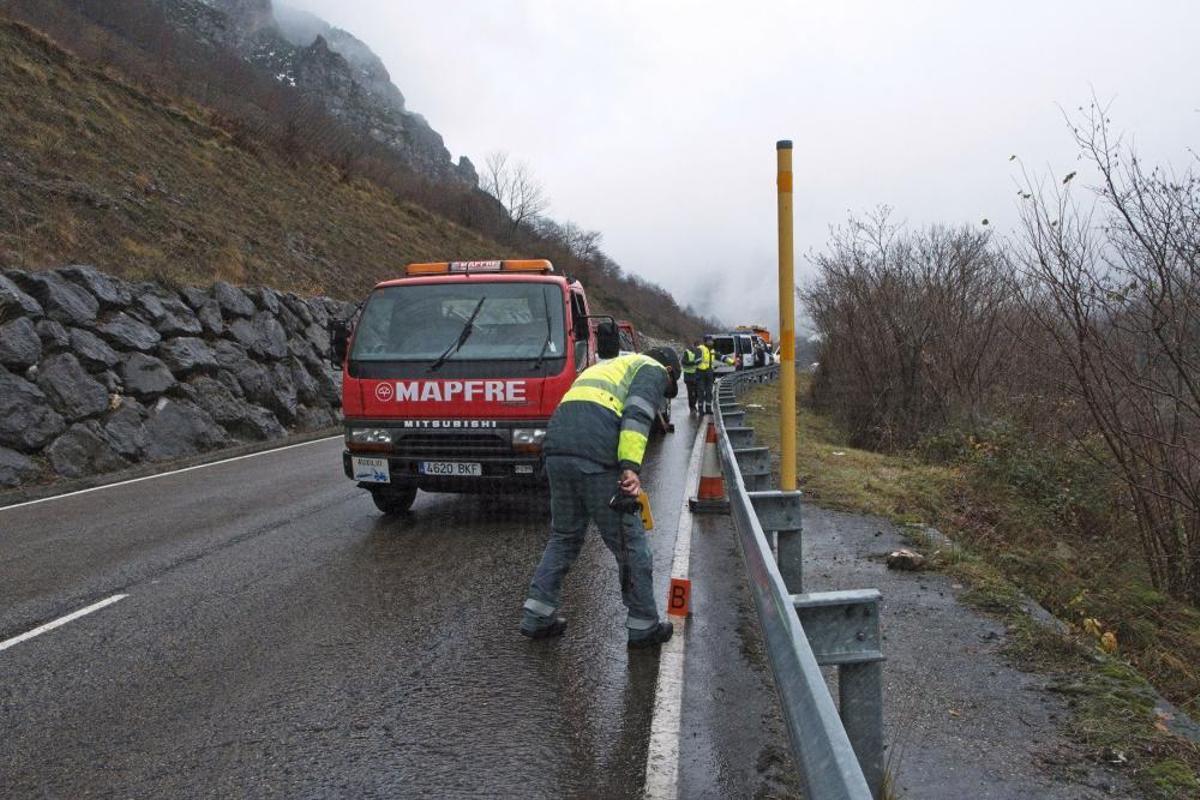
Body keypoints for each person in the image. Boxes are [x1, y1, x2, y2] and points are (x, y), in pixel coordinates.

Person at [520, 348, 679, 648]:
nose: (664, 396)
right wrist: (630, 467)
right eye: (667, 390)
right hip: (595, 459)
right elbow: (638, 413)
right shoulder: (652, 368)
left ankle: (537, 615)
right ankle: (644, 625)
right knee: (630, 545)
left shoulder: (605, 368)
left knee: (564, 537)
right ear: (668, 370)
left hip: (556, 452)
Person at [680, 341, 701, 412]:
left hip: (696, 376)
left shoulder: (699, 353)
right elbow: (683, 362)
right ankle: (692, 407)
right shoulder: (687, 352)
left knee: (697, 393)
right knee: (690, 393)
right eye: (697, 347)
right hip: (688, 376)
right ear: (693, 346)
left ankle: (693, 405)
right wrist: (693, 362)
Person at [696, 336, 715, 414]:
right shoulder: (700, 348)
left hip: (709, 373)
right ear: (705, 341)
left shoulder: (712, 350)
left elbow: (721, 357)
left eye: (711, 341)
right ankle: (700, 409)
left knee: (709, 392)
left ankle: (708, 408)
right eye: (709, 341)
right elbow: (696, 360)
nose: (711, 342)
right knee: (701, 391)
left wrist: (732, 362)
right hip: (701, 372)